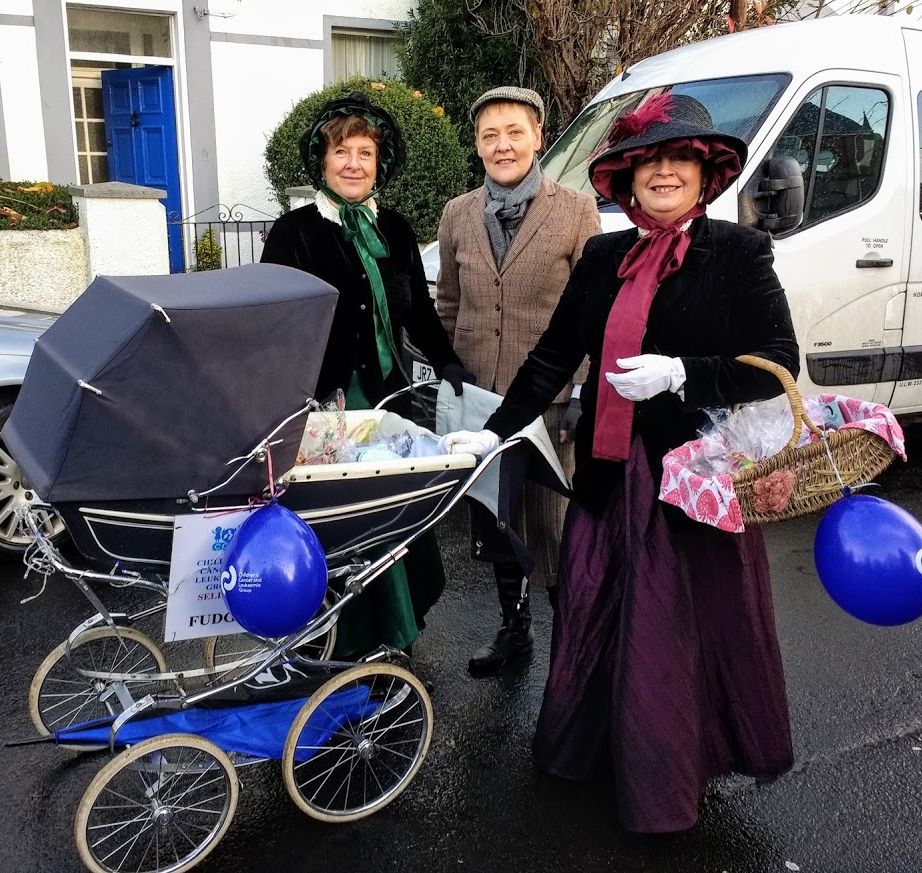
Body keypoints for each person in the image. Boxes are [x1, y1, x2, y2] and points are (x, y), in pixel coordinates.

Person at [440, 93, 799, 833]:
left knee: (668, 628)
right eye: (649, 161)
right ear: (629, 177)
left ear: (704, 172)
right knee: (596, 610)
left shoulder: (738, 252)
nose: (663, 172)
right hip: (609, 472)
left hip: (692, 478)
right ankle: (600, 747)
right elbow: (552, 357)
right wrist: (493, 432)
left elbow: (778, 363)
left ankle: (664, 775)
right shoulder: (604, 257)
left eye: (679, 159)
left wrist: (683, 373)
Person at [260, 92, 474, 658]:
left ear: (380, 163)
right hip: (324, 405)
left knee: (393, 511)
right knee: (340, 521)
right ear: (322, 161)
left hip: (387, 399)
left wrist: (447, 360)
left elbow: (419, 310)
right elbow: (274, 323)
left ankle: (394, 635)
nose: (353, 164)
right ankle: (341, 640)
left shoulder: (395, 230)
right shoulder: (294, 232)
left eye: (365, 153)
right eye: (341, 152)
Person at [435, 86, 600, 676]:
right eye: (489, 135)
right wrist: (450, 371)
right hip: (480, 401)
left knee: (554, 526)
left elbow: (594, 310)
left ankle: (573, 647)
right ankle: (515, 628)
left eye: (514, 132)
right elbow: (449, 303)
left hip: (550, 400)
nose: (502, 145)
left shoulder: (576, 210)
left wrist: (582, 388)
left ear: (537, 137)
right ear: (477, 145)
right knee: (496, 520)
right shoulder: (457, 213)